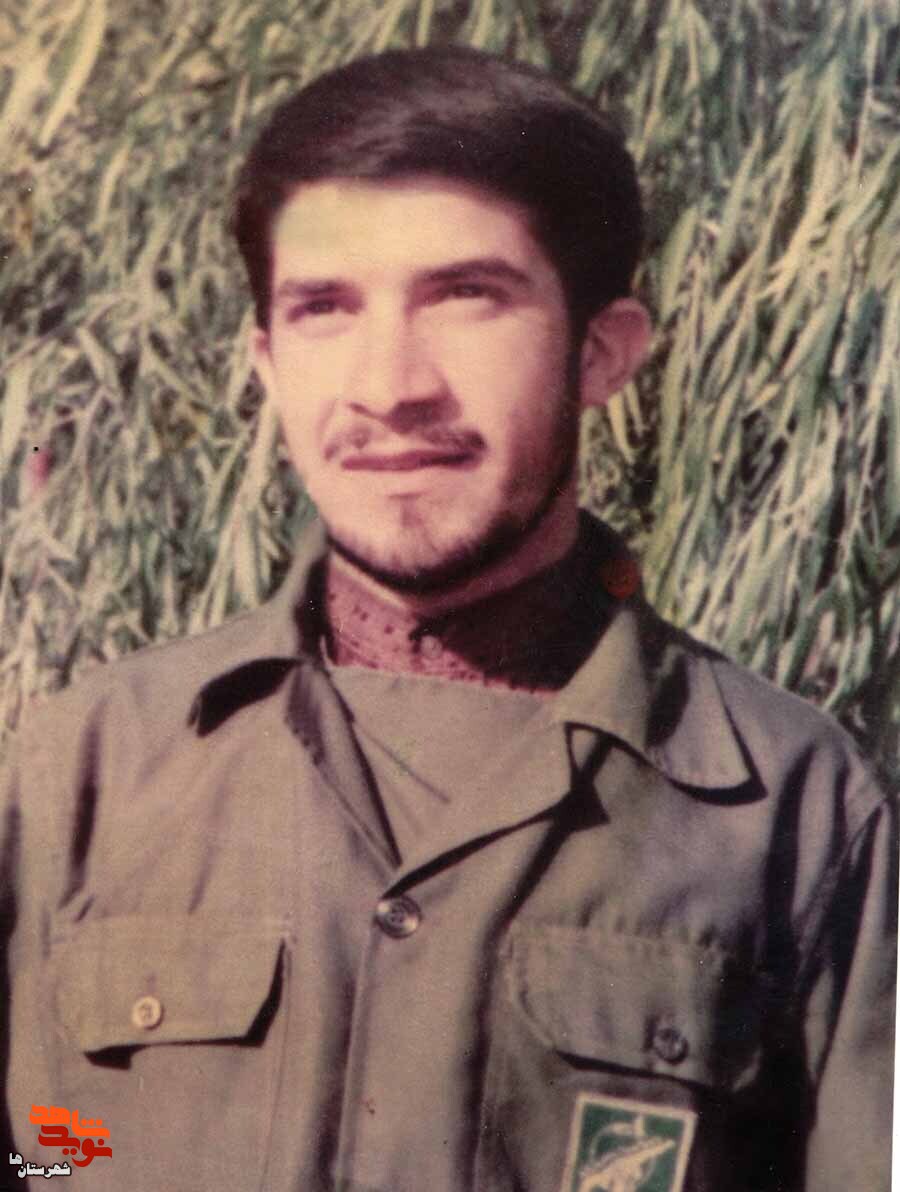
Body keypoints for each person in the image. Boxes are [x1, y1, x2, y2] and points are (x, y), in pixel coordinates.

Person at [1, 46, 895, 1192]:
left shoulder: (793, 810)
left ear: (602, 352)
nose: (390, 386)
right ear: (266, 363)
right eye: (324, 308)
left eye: (467, 296)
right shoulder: (87, 768)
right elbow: (38, 1151)